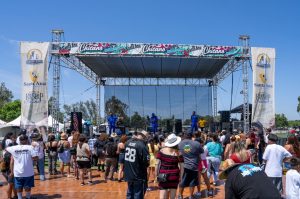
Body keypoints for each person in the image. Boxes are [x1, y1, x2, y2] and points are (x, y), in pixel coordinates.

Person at [6, 134, 38, 199]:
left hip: (17, 172)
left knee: (19, 186)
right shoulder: (30, 147)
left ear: (19, 140)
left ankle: (20, 198)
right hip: (28, 171)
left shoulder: (13, 148)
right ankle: (28, 197)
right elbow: (35, 158)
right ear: (27, 140)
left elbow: (5, 148)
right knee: (28, 186)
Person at [155, 133, 183, 199]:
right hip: (174, 176)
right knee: (172, 197)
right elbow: (182, 167)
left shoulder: (161, 151)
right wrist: (181, 178)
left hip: (163, 176)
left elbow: (157, 164)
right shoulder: (179, 153)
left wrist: (156, 175)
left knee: (162, 196)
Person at [124, 130, 150, 199]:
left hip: (128, 173)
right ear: (144, 137)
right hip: (138, 174)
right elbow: (146, 162)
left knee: (130, 192)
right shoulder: (142, 146)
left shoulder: (128, 142)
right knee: (138, 194)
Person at [178, 132, 203, 199]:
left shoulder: (180, 143)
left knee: (183, 180)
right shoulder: (196, 143)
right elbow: (201, 151)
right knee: (193, 181)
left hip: (185, 165)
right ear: (192, 136)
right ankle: (191, 196)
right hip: (194, 165)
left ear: (184, 136)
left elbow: (180, 153)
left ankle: (180, 195)